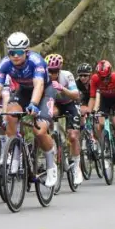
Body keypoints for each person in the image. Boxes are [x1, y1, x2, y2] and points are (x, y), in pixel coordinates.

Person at [0, 32, 59, 187]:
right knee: (10, 115)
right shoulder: (5, 64)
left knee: (39, 131)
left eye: (19, 52)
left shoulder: (36, 61)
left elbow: (39, 85)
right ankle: (15, 153)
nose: (15, 56)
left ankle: (51, 164)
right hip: (24, 91)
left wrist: (33, 104)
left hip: (44, 92)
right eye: (12, 52)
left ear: (26, 52)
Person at [45, 53, 83, 185]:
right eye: (49, 71)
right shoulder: (43, 76)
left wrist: (62, 88)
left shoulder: (67, 75)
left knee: (72, 136)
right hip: (55, 104)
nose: (51, 74)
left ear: (59, 70)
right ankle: (54, 141)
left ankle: (77, 167)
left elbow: (76, 95)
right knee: (49, 114)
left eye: (54, 71)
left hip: (70, 104)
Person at [89, 60, 115, 166]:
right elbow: (92, 98)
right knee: (99, 124)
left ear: (110, 73)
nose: (104, 80)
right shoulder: (94, 79)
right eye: (102, 78)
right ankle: (104, 148)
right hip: (104, 101)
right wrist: (90, 111)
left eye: (106, 77)